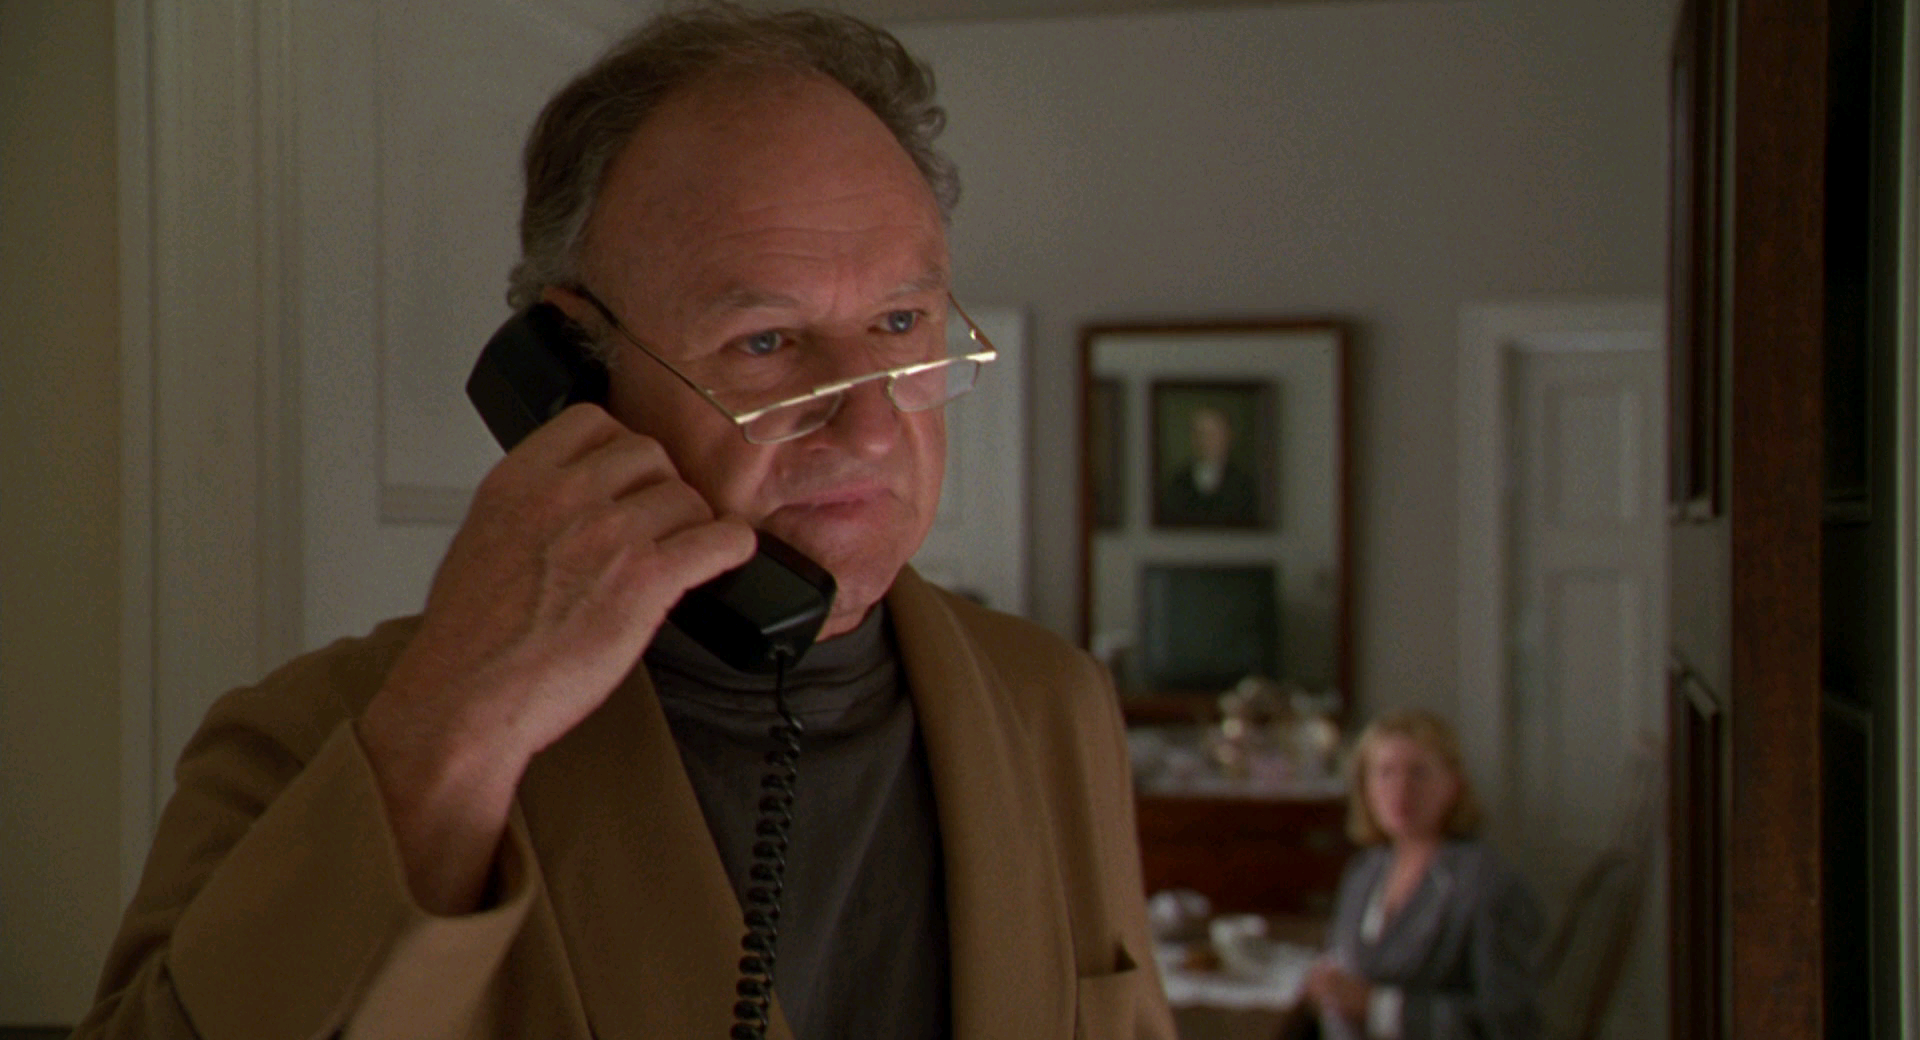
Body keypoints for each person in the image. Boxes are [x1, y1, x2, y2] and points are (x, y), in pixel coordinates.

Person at [75, 6, 1175, 1038]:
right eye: (766, 342)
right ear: (573, 371)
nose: (875, 425)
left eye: (900, 322)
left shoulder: (1052, 702)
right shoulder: (319, 738)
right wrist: (456, 730)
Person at [1299, 709, 1542, 1040]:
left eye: (1419, 773)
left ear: (1453, 785)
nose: (1400, 789)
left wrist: (1378, 1007)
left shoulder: (1486, 883)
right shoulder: (1364, 871)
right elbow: (1341, 971)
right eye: (1384, 773)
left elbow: (1512, 1023)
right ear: (1365, 788)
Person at [1156, 404, 1261, 527]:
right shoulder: (1177, 482)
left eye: (1213, 433)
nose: (1205, 441)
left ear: (1228, 436)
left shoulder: (1244, 483)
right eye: (1200, 433)